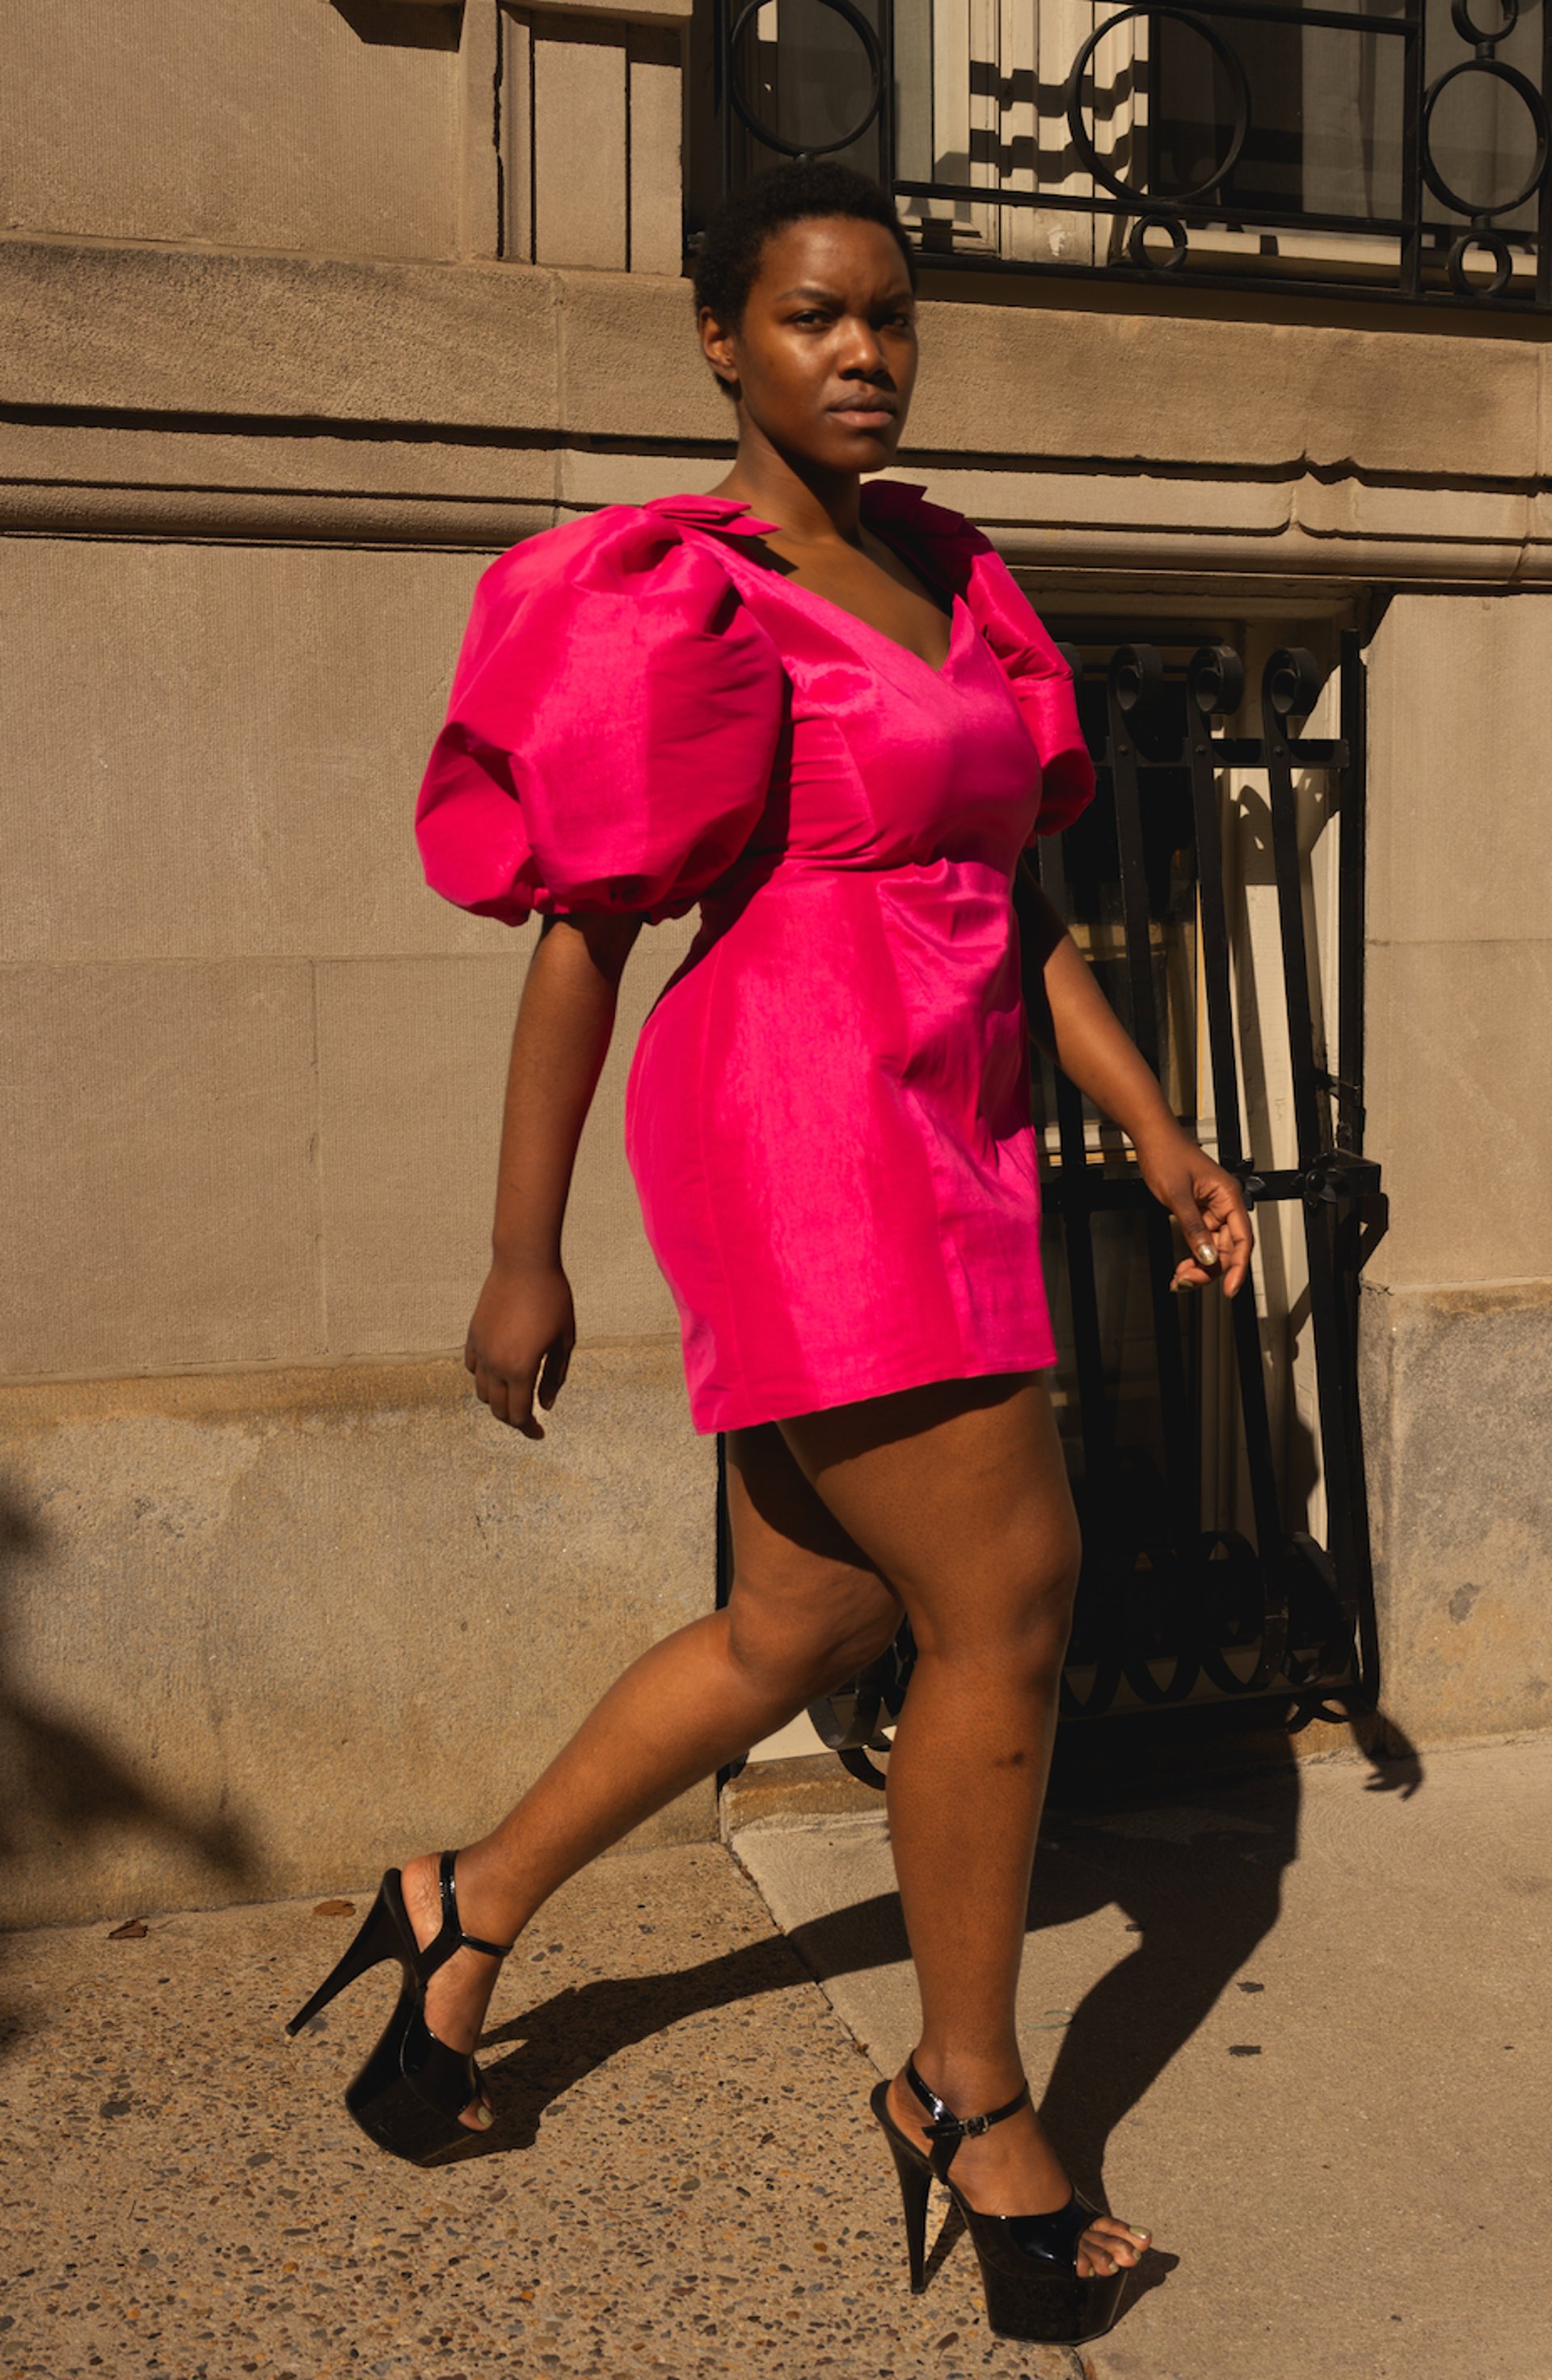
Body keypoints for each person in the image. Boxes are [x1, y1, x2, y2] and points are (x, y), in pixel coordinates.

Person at [288, 159, 1253, 2346]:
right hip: (806, 1132)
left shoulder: (947, 569)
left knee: (800, 1622)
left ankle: (463, 1911)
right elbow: (580, 946)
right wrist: (519, 1253)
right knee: (1004, 1598)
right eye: (818, 318)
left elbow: (1014, 905)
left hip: (959, 1122)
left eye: (894, 318)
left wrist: (1163, 1135)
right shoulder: (688, 593)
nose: (870, 355)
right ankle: (967, 2096)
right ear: (720, 340)